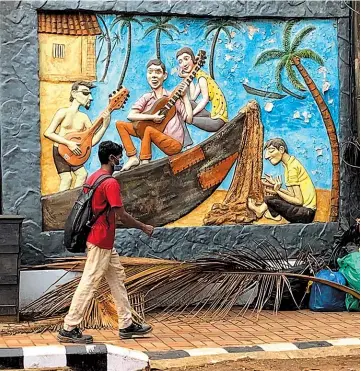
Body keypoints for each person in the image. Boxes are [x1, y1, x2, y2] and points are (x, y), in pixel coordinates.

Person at [57, 141, 154, 343]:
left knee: (117, 278)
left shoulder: (93, 177)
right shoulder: (110, 183)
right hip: (100, 240)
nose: (121, 160)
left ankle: (126, 324)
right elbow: (121, 215)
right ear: (111, 158)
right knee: (90, 282)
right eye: (119, 156)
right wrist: (143, 227)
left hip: (101, 239)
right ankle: (69, 327)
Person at [116, 59, 193, 171]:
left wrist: (185, 96)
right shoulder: (147, 97)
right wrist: (152, 117)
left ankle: (144, 162)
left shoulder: (172, 98)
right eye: (150, 72)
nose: (154, 76)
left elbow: (189, 119)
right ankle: (132, 157)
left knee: (148, 130)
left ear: (165, 75)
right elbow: (131, 115)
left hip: (173, 143)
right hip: (153, 133)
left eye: (157, 72)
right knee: (120, 124)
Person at [44, 81, 110, 192]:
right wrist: (69, 143)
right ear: (74, 94)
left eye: (90, 94)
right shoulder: (63, 112)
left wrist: (104, 126)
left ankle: (74, 202)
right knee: (67, 179)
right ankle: (60, 205)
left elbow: (91, 141)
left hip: (76, 153)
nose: (90, 97)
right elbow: (48, 133)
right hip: (60, 151)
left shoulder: (84, 118)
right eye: (85, 93)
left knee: (82, 174)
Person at [248, 138, 317, 224]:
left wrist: (278, 191)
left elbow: (299, 201)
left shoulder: (292, 168)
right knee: (271, 198)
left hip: (305, 213)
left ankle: (263, 211)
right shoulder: (289, 164)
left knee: (271, 200)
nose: (266, 156)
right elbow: (292, 195)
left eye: (271, 151)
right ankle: (272, 214)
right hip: (304, 211)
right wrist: (278, 188)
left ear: (281, 149)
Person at [176, 47, 228, 132]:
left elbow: (205, 99)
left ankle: (184, 142)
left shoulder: (202, 78)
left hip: (218, 120)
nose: (184, 64)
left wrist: (191, 114)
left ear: (193, 59)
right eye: (180, 62)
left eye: (186, 59)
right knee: (188, 104)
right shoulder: (199, 75)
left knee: (186, 118)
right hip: (213, 115)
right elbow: (193, 97)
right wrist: (187, 77)